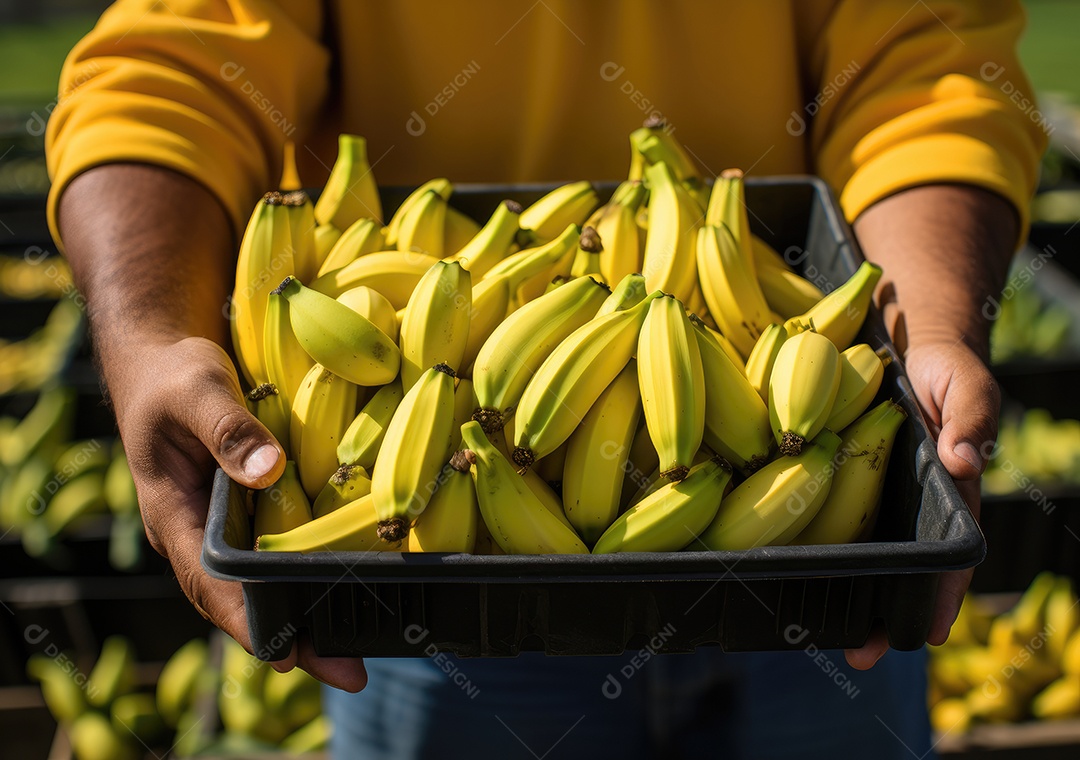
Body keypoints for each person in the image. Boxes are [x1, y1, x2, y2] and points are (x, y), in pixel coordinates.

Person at [45, 1, 1046, 757]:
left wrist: (936, 326)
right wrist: (145, 340)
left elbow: (927, 69)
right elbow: (171, 70)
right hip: (440, 616)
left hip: (816, 579)